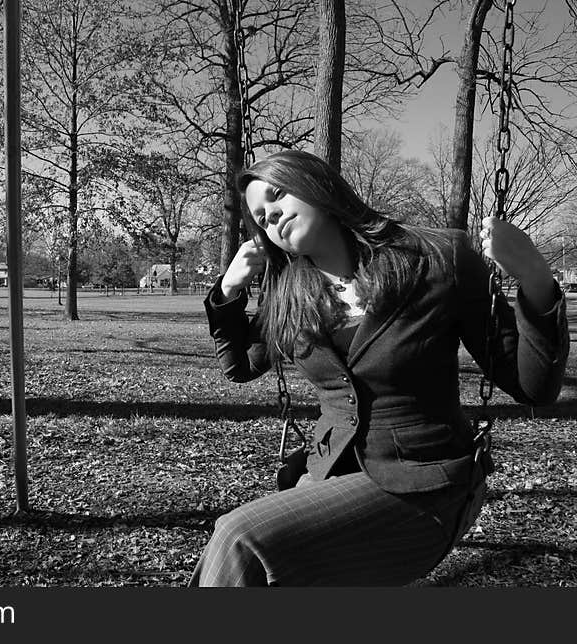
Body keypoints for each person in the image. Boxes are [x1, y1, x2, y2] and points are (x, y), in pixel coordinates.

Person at [189, 150, 569, 586]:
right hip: (329, 477)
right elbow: (240, 365)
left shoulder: (437, 259)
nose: (271, 217)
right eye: (261, 217)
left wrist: (536, 279)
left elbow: (533, 387)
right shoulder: (289, 291)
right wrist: (228, 290)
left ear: (318, 186)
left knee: (240, 537)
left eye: (277, 195)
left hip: (424, 485)